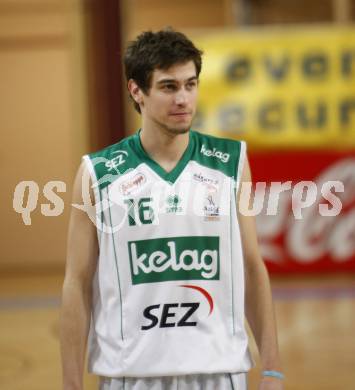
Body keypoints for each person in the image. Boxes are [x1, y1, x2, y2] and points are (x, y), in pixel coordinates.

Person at [60, 28, 284, 390]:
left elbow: (251, 266)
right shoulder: (98, 173)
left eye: (190, 84)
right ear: (137, 91)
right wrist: (71, 384)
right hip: (128, 375)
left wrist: (272, 368)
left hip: (218, 371)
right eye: (168, 86)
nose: (183, 98)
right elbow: (77, 283)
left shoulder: (230, 162)